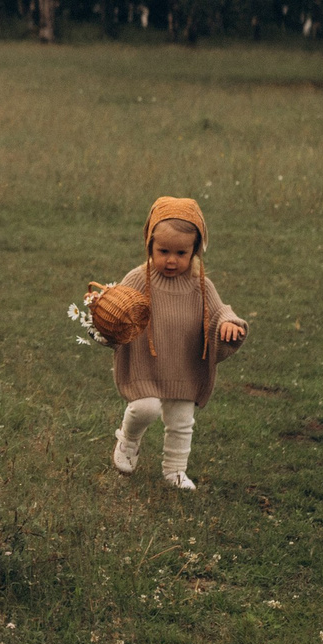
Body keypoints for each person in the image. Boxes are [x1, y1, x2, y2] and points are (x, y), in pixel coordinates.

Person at [100, 197, 247, 491]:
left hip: (183, 365)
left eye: (181, 253)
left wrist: (231, 323)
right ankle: (128, 440)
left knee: (181, 421)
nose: (171, 259)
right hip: (146, 363)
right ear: (149, 245)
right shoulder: (140, 279)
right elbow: (116, 305)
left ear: (196, 251)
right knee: (145, 408)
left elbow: (220, 311)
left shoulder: (201, 286)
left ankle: (175, 471)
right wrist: (105, 319)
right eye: (163, 251)